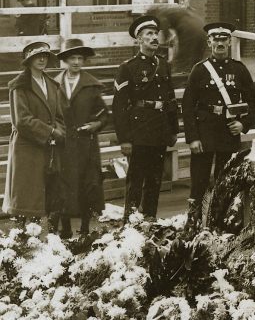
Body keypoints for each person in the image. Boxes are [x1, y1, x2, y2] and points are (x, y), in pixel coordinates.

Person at [181, 22, 255, 229]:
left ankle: (222, 222)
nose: (220, 43)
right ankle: (194, 222)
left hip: (228, 131)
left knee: (226, 179)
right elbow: (187, 106)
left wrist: (243, 125)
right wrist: (193, 138)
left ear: (230, 42)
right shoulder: (200, 70)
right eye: (216, 39)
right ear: (209, 42)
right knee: (199, 180)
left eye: (224, 39)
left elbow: (254, 102)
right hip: (204, 131)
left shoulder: (239, 70)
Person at [113, 15, 179, 220]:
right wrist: (124, 139)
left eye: (155, 34)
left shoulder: (163, 65)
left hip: (159, 130)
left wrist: (174, 130)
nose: (154, 38)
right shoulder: (128, 67)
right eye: (148, 34)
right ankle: (131, 221)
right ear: (138, 40)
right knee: (136, 179)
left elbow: (170, 99)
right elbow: (119, 107)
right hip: (139, 131)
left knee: (155, 179)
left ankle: (150, 218)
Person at [3, 42, 65, 224]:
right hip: (27, 147)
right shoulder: (19, 85)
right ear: (28, 61)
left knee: (45, 196)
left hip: (49, 148)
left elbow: (59, 116)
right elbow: (21, 120)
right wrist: (50, 131)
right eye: (37, 56)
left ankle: (43, 241)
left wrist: (59, 131)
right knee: (25, 197)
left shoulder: (52, 84)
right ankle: (21, 239)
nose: (42, 59)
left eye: (45, 56)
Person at [54, 39, 108, 236]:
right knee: (63, 184)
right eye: (72, 58)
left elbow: (103, 114)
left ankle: (85, 227)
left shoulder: (91, 86)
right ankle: (65, 228)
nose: (76, 62)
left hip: (85, 143)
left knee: (88, 183)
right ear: (65, 61)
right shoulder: (54, 84)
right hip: (62, 143)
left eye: (80, 58)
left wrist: (95, 125)